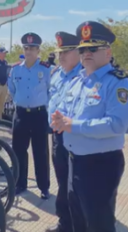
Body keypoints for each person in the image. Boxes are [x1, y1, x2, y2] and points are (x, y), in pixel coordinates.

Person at [51, 21, 128, 232]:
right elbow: (63, 112)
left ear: (107, 52)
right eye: (83, 49)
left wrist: (74, 125)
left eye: (93, 48)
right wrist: (58, 120)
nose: (86, 53)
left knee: (99, 224)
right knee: (78, 220)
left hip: (100, 165)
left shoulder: (117, 82)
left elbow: (117, 125)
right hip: (74, 162)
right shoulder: (77, 82)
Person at [45, 32, 83, 232]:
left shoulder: (85, 75)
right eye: (59, 52)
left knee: (75, 187)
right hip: (57, 137)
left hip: (75, 138)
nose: (61, 56)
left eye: (66, 52)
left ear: (78, 52)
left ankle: (77, 225)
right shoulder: (56, 74)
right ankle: (64, 223)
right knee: (62, 182)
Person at [7, 32, 51, 199]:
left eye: (32, 48)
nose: (29, 51)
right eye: (26, 48)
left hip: (39, 115)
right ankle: (20, 183)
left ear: (38, 50)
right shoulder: (15, 69)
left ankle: (44, 186)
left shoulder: (46, 70)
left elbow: (50, 91)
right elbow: (11, 89)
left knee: (41, 152)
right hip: (20, 115)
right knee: (18, 151)